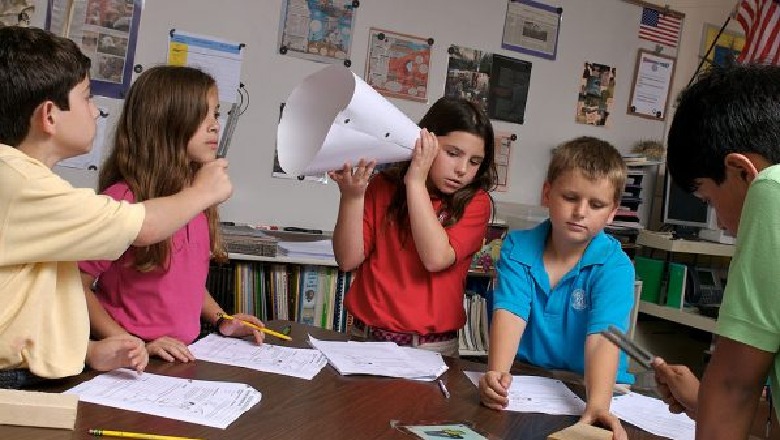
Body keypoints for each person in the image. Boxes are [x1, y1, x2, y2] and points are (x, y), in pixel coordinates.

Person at [0, 26, 232, 383]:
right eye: (88, 97)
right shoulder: (21, 185)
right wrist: (202, 192)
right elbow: (143, 228)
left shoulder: (31, 186)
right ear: (49, 116)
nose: (96, 113)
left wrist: (90, 351)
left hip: (39, 368)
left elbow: (35, 312)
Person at [79, 66, 264, 364]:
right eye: (200, 115)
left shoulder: (196, 199)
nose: (215, 126)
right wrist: (129, 343)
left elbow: (185, 281)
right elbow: (76, 284)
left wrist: (221, 319)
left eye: (216, 114)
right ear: (166, 122)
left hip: (180, 356)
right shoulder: (123, 201)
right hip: (132, 361)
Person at [653, 64, 780, 439]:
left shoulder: (772, 189)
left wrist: (716, 395)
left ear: (743, 172)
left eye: (708, 198)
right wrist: (701, 399)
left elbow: (733, 388)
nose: (721, 223)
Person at [479, 137, 634, 440]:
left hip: (596, 386)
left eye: (597, 204)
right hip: (530, 375)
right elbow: (510, 312)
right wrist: (497, 377)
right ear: (547, 193)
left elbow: (605, 337)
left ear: (613, 212)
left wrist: (598, 405)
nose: (580, 212)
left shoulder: (615, 266)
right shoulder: (517, 248)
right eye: (570, 197)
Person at [329, 97, 496, 357]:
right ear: (423, 143)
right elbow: (348, 260)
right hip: (366, 338)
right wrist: (352, 197)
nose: (462, 169)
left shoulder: (476, 202)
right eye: (452, 154)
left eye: (475, 162)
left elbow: (436, 258)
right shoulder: (384, 186)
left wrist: (415, 182)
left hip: (431, 347)